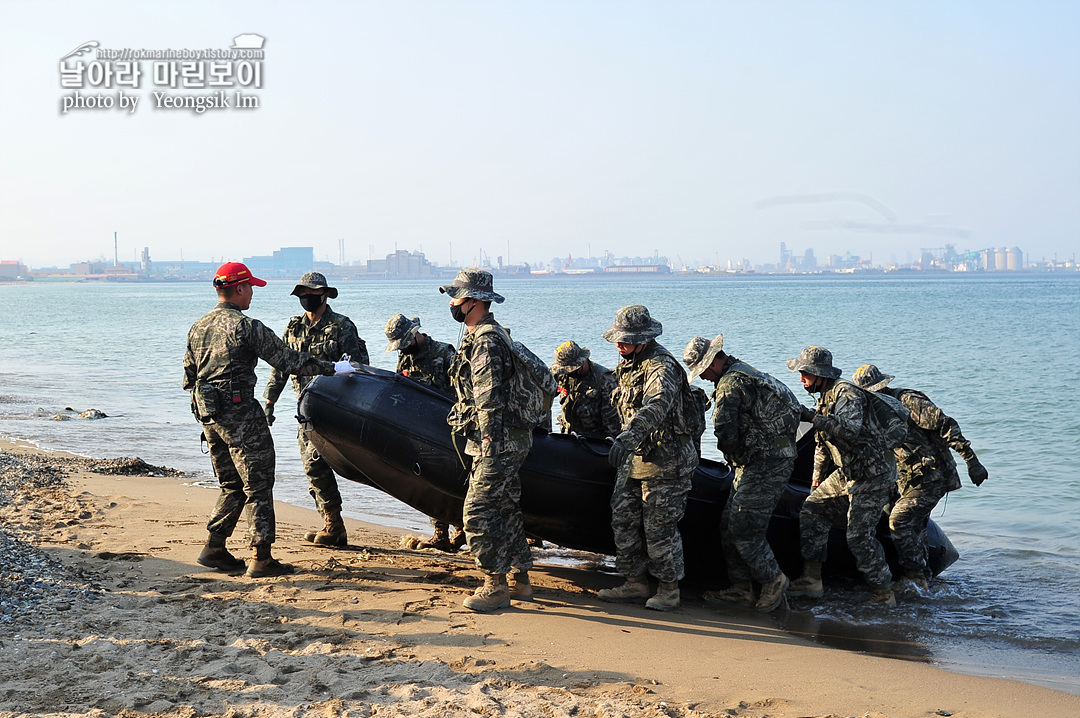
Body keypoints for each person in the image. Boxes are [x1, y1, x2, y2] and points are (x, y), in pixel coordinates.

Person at [184, 262, 355, 578]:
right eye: (250, 287)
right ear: (238, 288)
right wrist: (334, 368)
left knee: (231, 484)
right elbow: (288, 360)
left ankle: (214, 547)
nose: (252, 294)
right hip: (242, 419)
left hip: (209, 418)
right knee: (258, 485)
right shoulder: (247, 327)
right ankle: (261, 558)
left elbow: (189, 375)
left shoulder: (198, 327)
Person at [683, 334, 801, 612]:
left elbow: (724, 430)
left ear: (712, 363)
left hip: (764, 464)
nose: (703, 378)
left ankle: (773, 579)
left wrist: (735, 455)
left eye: (702, 371)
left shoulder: (730, 384)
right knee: (728, 524)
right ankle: (741, 587)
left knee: (744, 528)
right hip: (768, 459)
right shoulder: (748, 371)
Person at [442, 269, 533, 612]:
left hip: (497, 442)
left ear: (474, 302)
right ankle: (522, 580)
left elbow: (489, 400)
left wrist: (491, 452)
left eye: (456, 297)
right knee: (506, 507)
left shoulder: (486, 341)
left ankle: (495, 585)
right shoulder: (486, 336)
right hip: (508, 439)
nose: (451, 303)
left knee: (477, 512)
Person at [599, 305, 701, 611]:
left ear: (644, 339)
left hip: (667, 459)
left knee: (660, 528)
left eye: (626, 339)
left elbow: (656, 405)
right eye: (618, 338)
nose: (619, 344)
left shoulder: (661, 366)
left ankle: (669, 589)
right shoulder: (629, 364)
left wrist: (627, 438)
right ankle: (635, 582)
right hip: (637, 457)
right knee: (624, 519)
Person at [852, 364, 988, 589]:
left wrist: (972, 461)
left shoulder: (908, 402)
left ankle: (916, 578)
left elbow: (946, 425)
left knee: (900, 521)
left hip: (932, 475)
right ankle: (924, 577)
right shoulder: (874, 412)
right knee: (912, 526)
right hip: (908, 479)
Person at [785, 346, 897, 606]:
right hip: (848, 471)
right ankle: (812, 580)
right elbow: (823, 444)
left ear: (819, 374)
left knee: (858, 536)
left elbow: (850, 430)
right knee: (813, 509)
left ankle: (884, 593)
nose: (801, 379)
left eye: (804, 374)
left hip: (872, 473)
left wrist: (812, 417)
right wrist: (816, 480)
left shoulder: (845, 393)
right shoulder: (824, 397)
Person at [263, 271, 368, 548]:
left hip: (334, 408)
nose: (306, 298)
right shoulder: (293, 329)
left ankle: (334, 524)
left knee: (332, 464)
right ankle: (332, 523)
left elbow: (357, 368)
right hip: (305, 411)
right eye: (302, 294)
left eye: (311, 294)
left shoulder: (342, 327)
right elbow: (281, 367)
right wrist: (270, 401)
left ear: (324, 295)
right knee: (313, 467)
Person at [384, 312, 464, 552]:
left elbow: (463, 389)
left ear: (414, 334)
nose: (402, 349)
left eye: (403, 343)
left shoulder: (443, 354)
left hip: (448, 429)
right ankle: (440, 534)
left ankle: (462, 531)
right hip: (420, 430)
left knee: (455, 481)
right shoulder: (405, 359)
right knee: (429, 483)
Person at [550, 340, 620, 440]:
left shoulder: (605, 381)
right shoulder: (562, 375)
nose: (567, 373)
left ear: (581, 363)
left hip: (594, 442)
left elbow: (612, 423)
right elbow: (544, 392)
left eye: (570, 369)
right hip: (568, 438)